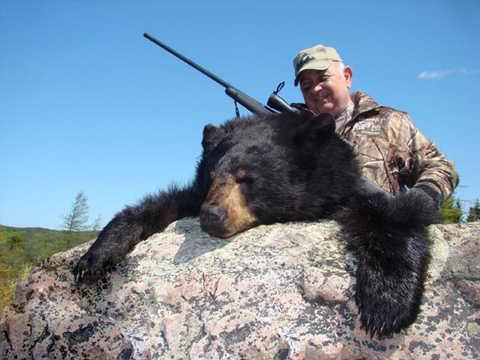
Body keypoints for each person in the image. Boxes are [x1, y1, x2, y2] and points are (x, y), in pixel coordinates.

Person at [292, 44, 459, 204]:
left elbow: (441, 168)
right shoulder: (294, 135)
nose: (315, 89)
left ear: (347, 77)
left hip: (379, 228)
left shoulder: (390, 122)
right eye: (306, 86)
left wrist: (422, 199)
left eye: (323, 78)